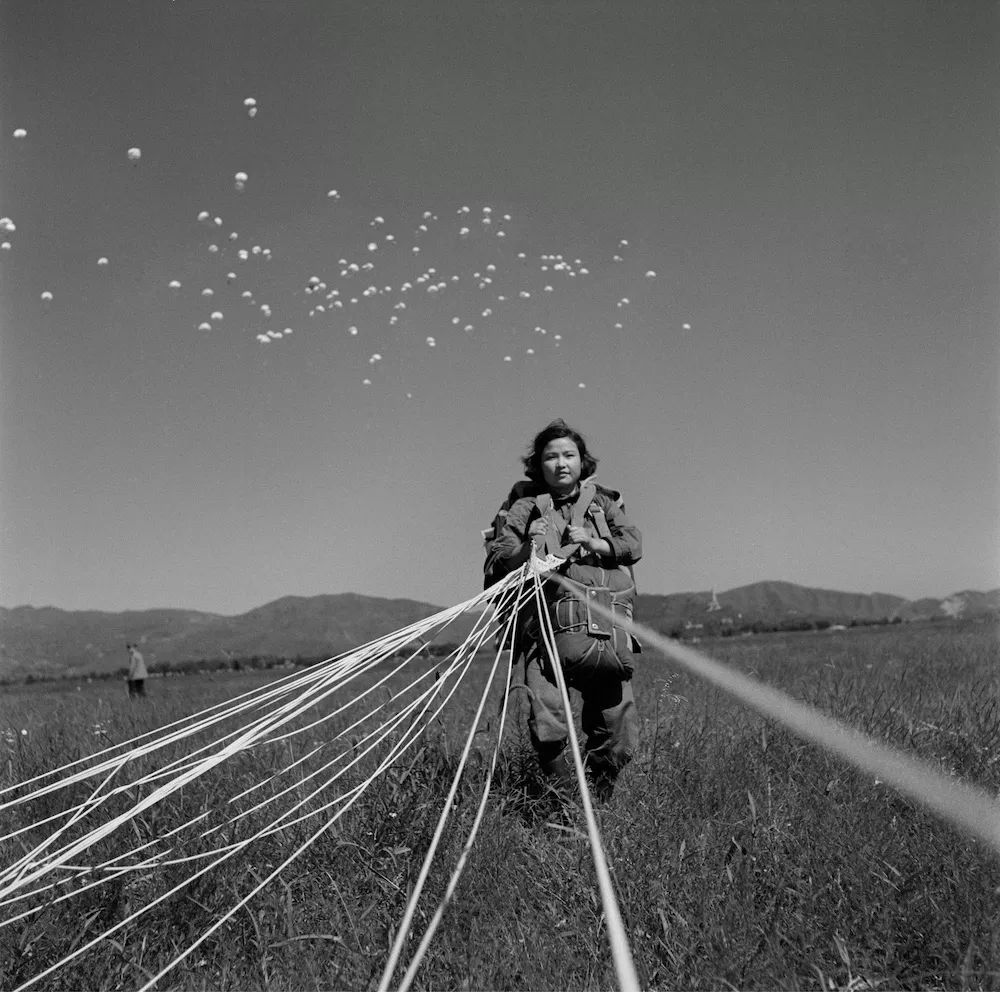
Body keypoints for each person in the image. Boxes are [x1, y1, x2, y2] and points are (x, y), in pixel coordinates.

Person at [487, 419, 642, 801]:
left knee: (618, 729)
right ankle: (566, 804)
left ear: (581, 461)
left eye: (568, 455)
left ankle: (600, 798)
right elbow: (501, 556)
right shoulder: (524, 507)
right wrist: (530, 546)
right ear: (538, 465)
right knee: (548, 722)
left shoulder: (603, 503)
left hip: (601, 625)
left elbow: (633, 543)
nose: (560, 464)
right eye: (551, 457)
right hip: (544, 628)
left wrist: (595, 543)